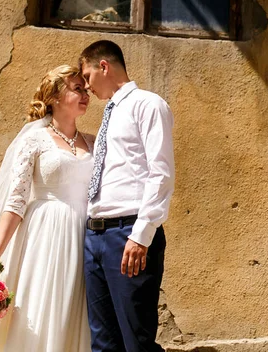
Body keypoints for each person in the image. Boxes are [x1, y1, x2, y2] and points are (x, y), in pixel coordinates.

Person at [0, 65, 92, 351]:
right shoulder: (34, 140)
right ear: (54, 97)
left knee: (76, 311)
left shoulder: (95, 142)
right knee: (41, 308)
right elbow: (15, 201)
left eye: (86, 89)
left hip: (84, 236)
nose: (86, 94)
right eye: (77, 89)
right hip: (43, 237)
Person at [80, 40, 175, 352]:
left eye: (87, 76)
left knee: (136, 341)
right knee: (103, 343)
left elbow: (160, 173)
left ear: (103, 66)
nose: (86, 86)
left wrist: (141, 235)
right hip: (94, 237)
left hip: (127, 235)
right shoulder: (111, 113)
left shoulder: (148, 105)